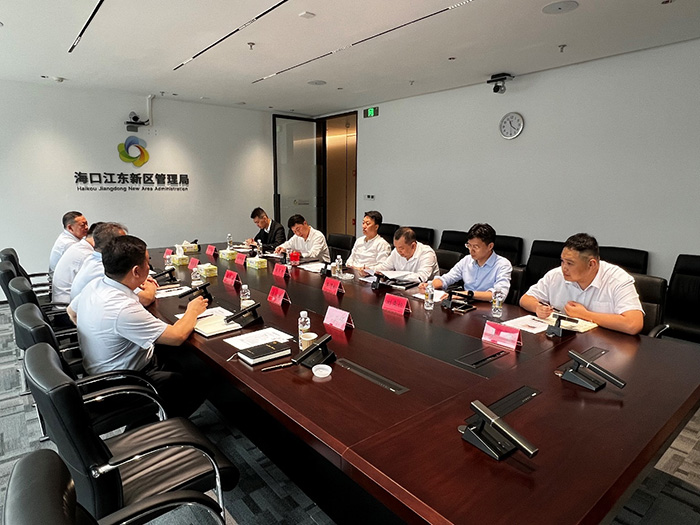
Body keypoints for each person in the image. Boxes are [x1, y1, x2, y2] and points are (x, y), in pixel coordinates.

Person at [67, 235, 210, 418]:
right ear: (136, 271)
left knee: (177, 357)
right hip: (121, 385)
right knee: (203, 377)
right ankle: (156, 426)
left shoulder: (95, 284)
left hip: (95, 374)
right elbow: (177, 336)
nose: (149, 267)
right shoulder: (122, 308)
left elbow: (71, 312)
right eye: (147, 262)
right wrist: (193, 310)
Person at [520, 233, 644, 335]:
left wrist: (584, 315)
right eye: (562, 261)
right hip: (563, 342)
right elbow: (525, 299)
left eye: (570, 263)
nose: (564, 268)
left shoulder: (617, 280)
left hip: (606, 345)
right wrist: (537, 307)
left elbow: (633, 324)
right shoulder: (556, 275)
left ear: (591, 264)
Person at [70, 223, 158, 306]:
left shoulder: (93, 259)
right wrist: (152, 287)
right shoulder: (104, 268)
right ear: (115, 245)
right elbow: (145, 299)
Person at [419, 223, 512, 301]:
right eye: (469, 245)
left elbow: (500, 295)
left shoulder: (502, 265)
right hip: (465, 305)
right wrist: (429, 286)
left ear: (490, 246)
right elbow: (447, 278)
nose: (471, 250)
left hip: (489, 310)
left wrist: (467, 294)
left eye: (476, 247)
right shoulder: (467, 260)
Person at [51, 222, 102, 304]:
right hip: (66, 306)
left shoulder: (78, 246)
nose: (86, 227)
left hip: (62, 298)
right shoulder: (86, 255)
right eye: (82, 225)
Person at [370, 227, 439, 282]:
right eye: (396, 247)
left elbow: (421, 278)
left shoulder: (427, 253)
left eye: (401, 248)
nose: (398, 251)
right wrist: (370, 270)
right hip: (402, 288)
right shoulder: (396, 251)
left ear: (413, 246)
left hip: (425, 291)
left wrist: (396, 275)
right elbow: (384, 267)